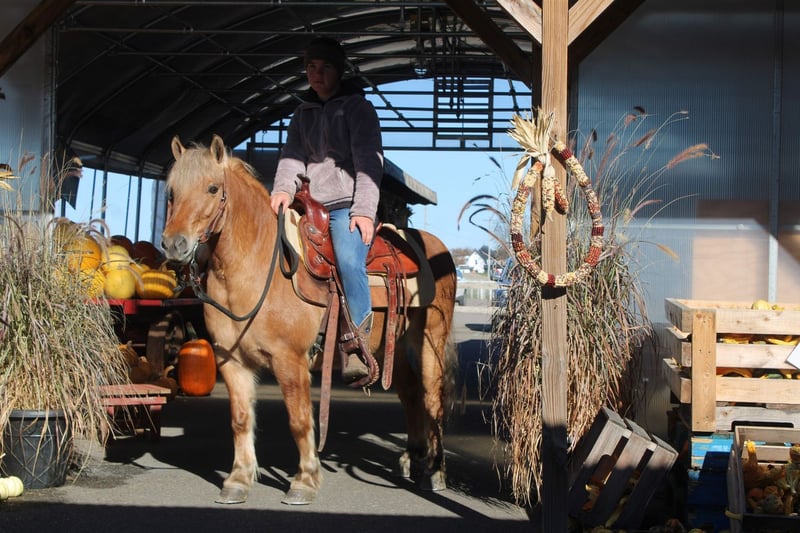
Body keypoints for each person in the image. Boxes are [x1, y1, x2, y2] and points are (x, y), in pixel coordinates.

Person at [270, 37, 384, 384]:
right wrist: (281, 190)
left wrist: (363, 210)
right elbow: (292, 158)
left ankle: (361, 346)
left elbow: (369, 162)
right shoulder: (302, 113)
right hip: (308, 204)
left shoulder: (358, 109)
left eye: (326, 67)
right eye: (311, 68)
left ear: (340, 70)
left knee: (349, 261)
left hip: (346, 205)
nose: (317, 75)